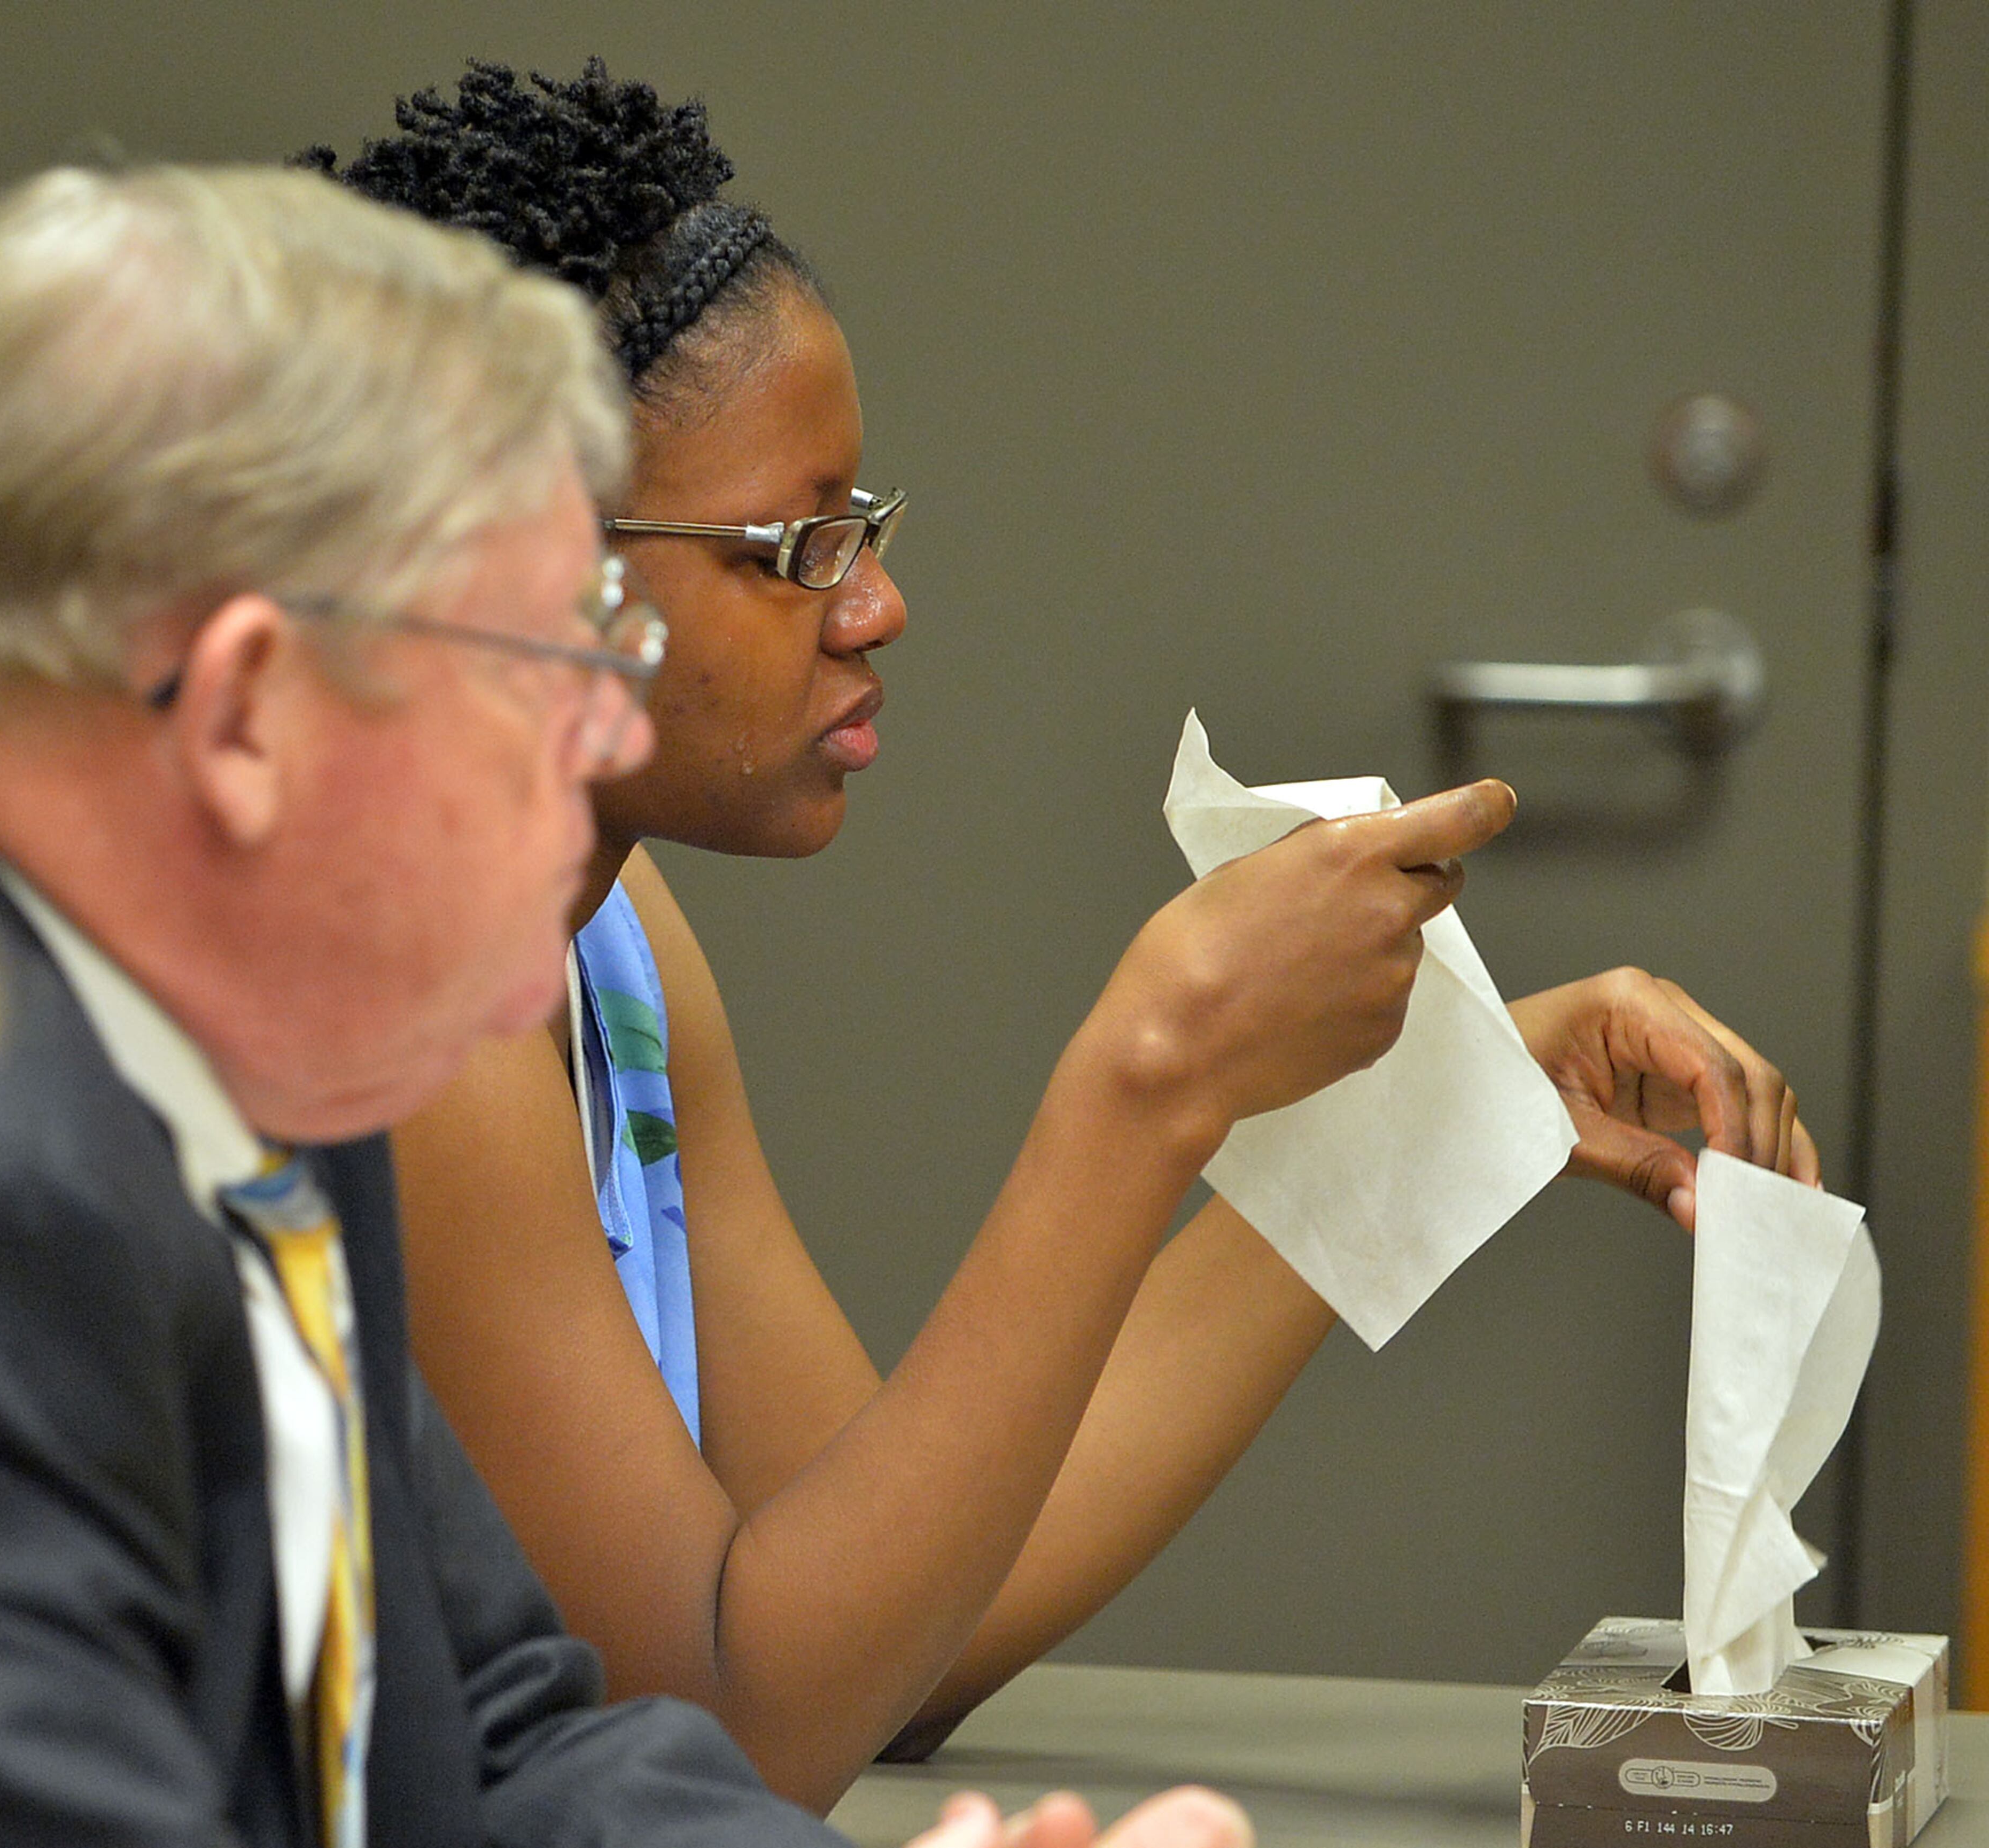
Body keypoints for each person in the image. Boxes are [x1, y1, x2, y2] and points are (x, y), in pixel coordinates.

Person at [313, 63, 1819, 1814]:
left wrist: (1412, 1112)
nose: (877, 606)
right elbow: (740, 1725)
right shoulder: (416, 1007)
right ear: (527, 569)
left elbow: (899, 1635)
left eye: (859, 528)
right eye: (797, 546)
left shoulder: (615, 932)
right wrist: (1147, 1075)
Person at [0, 159, 1255, 1848]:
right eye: (534, 665)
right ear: (249, 718)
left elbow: (503, 1733)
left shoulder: (262, 1098)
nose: (601, 742)